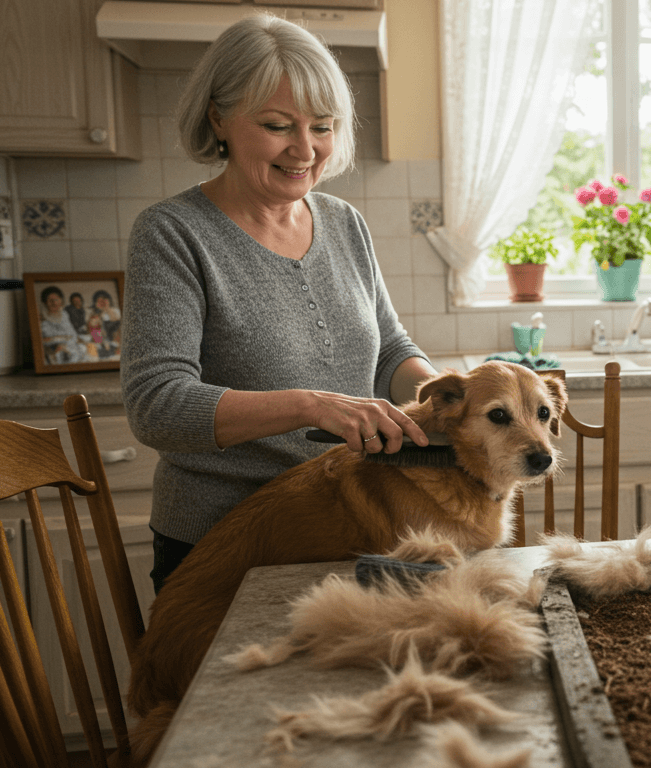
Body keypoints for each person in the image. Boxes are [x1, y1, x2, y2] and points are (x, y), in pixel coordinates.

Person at [122, 14, 436, 593]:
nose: (305, 148)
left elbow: (390, 350)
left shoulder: (344, 223)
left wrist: (448, 398)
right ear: (219, 117)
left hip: (349, 521)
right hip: (222, 544)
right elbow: (157, 406)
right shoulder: (172, 233)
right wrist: (311, 406)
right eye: (277, 125)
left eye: (323, 126)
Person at [39, 286, 87, 365]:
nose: (54, 303)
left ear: (61, 300)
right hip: (53, 351)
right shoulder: (43, 319)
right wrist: (61, 340)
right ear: (45, 303)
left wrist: (71, 340)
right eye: (50, 301)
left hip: (69, 346)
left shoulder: (64, 314)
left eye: (57, 299)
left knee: (84, 348)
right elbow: (44, 340)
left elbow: (72, 334)